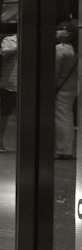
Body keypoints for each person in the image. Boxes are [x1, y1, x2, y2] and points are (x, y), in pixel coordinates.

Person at [55, 26, 78, 160]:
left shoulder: (60, 49)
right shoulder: (74, 50)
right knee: (67, 116)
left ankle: (62, 150)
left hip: (61, 87)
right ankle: (67, 149)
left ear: (68, 34)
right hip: (73, 87)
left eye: (62, 28)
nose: (58, 30)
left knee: (61, 117)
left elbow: (56, 72)